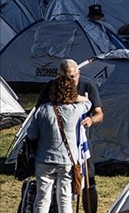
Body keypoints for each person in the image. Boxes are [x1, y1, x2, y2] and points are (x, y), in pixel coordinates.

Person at [35, 60, 102, 213]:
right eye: (65, 77)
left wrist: (91, 120)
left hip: (81, 144)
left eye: (72, 77)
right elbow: (38, 112)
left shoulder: (87, 86)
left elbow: (99, 113)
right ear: (58, 76)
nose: (69, 81)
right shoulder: (50, 89)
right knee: (59, 195)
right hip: (55, 146)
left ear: (78, 74)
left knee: (87, 182)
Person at [28, 75, 91, 213]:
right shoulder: (75, 110)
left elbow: (31, 134)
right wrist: (76, 97)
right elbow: (88, 103)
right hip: (68, 160)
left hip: (44, 160)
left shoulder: (42, 110)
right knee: (65, 199)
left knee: (42, 199)